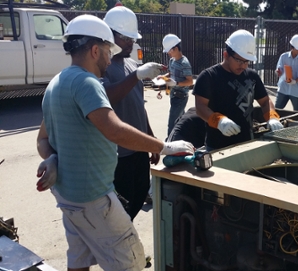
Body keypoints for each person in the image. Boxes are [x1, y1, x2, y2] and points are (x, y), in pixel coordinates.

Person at [35, 14, 194, 271]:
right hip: (94, 198)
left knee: (79, 258)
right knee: (130, 261)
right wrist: (162, 146)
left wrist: (51, 157)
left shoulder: (57, 82)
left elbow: (43, 138)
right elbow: (115, 130)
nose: (110, 58)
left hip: (68, 196)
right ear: (96, 50)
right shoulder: (88, 83)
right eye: (109, 51)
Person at [101, 6, 157, 221]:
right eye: (125, 38)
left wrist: (150, 138)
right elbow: (107, 97)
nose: (130, 43)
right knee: (120, 206)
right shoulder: (102, 68)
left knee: (140, 194)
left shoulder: (131, 64)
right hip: (119, 154)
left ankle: (125, 236)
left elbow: (138, 106)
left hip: (139, 149)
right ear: (109, 35)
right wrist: (136, 76)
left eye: (132, 38)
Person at [193, 29, 284, 151]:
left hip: (246, 142)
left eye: (247, 61)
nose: (244, 65)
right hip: (217, 146)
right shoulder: (209, 76)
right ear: (225, 55)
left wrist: (272, 116)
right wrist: (219, 121)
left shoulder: (252, 76)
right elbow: (200, 107)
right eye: (239, 60)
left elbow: (265, 101)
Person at [159, 34, 193, 136]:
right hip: (173, 95)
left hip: (181, 97)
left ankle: (169, 144)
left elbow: (190, 81)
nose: (168, 53)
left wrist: (176, 83)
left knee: (172, 123)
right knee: (181, 120)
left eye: (170, 50)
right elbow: (171, 73)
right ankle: (189, 136)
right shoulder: (172, 61)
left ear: (176, 48)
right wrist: (163, 77)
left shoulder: (184, 63)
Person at [275, 34, 298, 111]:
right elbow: (279, 69)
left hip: (296, 90)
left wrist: (295, 81)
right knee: (276, 111)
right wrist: (278, 72)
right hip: (283, 88)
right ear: (292, 47)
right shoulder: (283, 56)